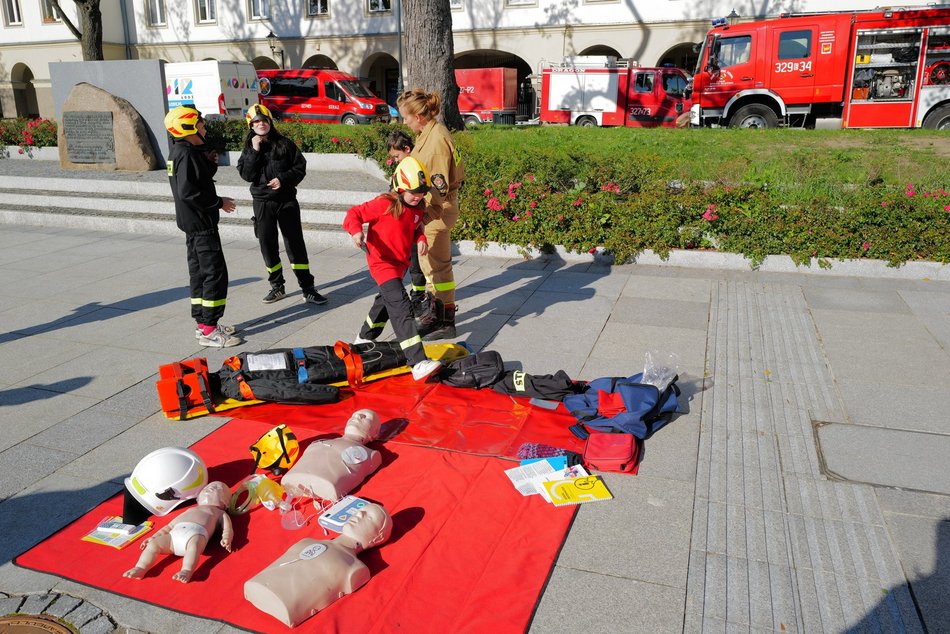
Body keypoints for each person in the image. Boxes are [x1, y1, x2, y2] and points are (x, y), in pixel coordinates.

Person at [342, 156, 442, 383]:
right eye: (413, 192)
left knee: (384, 303)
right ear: (400, 188)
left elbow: (416, 227)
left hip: (400, 264)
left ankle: (363, 339)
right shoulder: (385, 204)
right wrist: (356, 231)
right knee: (401, 306)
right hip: (381, 262)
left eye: (421, 192)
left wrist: (421, 238)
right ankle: (417, 362)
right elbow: (353, 214)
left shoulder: (418, 207)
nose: (418, 196)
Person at [164, 105, 242, 347]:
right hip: (202, 226)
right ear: (188, 126)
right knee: (214, 276)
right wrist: (220, 202)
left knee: (199, 275)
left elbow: (194, 178)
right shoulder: (186, 155)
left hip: (193, 226)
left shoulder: (180, 151)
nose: (205, 127)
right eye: (201, 124)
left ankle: (203, 325)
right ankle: (210, 331)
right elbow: (190, 192)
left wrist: (208, 160)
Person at [243, 502, 393, 627]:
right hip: (256, 583)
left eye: (370, 517)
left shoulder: (355, 568)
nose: (359, 515)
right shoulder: (307, 541)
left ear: (377, 538)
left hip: (286, 607)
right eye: (361, 511)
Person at [237, 104, 328, 306]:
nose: (261, 124)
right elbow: (247, 175)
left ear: (270, 122)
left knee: (295, 244)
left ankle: (308, 289)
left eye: (264, 120)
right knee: (267, 245)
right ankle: (277, 286)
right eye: (256, 122)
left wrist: (283, 179)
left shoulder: (285, 143)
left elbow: (300, 168)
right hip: (262, 203)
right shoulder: (249, 148)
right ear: (251, 125)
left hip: (286, 201)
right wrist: (254, 150)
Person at [396, 88, 466, 340]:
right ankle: (440, 316)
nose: (404, 121)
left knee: (435, 268)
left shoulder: (435, 141)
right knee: (436, 267)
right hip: (436, 209)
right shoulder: (429, 133)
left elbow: (438, 187)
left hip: (436, 211)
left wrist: (424, 218)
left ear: (419, 115)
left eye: (406, 117)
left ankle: (442, 321)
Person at [122, 481, 234, 583]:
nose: (210, 488)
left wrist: (226, 538)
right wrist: (154, 537)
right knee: (153, 545)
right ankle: (141, 567)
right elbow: (169, 526)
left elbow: (228, 528)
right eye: (207, 487)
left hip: (196, 534)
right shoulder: (191, 509)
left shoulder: (220, 513)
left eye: (216, 488)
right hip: (173, 535)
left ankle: (186, 571)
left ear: (225, 503)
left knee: (194, 548)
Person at [281, 409, 383, 501]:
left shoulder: (371, 455)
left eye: (366, 417)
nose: (357, 417)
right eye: (354, 415)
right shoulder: (318, 442)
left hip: (327, 486)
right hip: (292, 481)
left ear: (375, 434)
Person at [386, 129, 428, 317]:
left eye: (397, 156)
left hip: (412, 221)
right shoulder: (403, 167)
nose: (395, 160)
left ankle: (418, 296)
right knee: (407, 262)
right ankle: (406, 294)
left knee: (415, 264)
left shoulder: (415, 166)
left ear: (407, 149)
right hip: (402, 224)